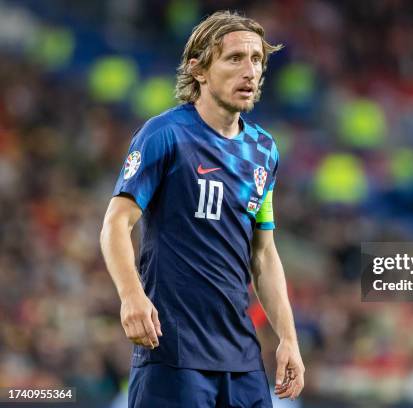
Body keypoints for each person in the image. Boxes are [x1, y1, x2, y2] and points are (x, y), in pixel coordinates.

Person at [100, 10, 304, 407]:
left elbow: (264, 253)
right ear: (199, 69)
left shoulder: (264, 150)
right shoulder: (166, 134)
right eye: (234, 59)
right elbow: (115, 223)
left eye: (257, 60)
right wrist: (131, 296)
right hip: (173, 352)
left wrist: (288, 340)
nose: (250, 71)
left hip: (242, 358)